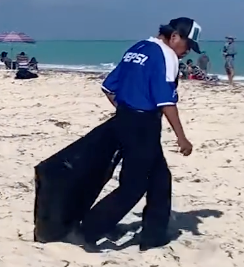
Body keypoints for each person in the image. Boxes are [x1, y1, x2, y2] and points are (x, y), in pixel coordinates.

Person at [77, 17, 198, 250]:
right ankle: (87, 230)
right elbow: (166, 102)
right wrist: (181, 137)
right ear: (174, 37)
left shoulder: (139, 48)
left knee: (161, 180)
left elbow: (109, 87)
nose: (187, 52)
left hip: (126, 120)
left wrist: (126, 112)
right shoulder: (167, 55)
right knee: (133, 186)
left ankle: (153, 236)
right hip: (144, 125)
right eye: (188, 45)